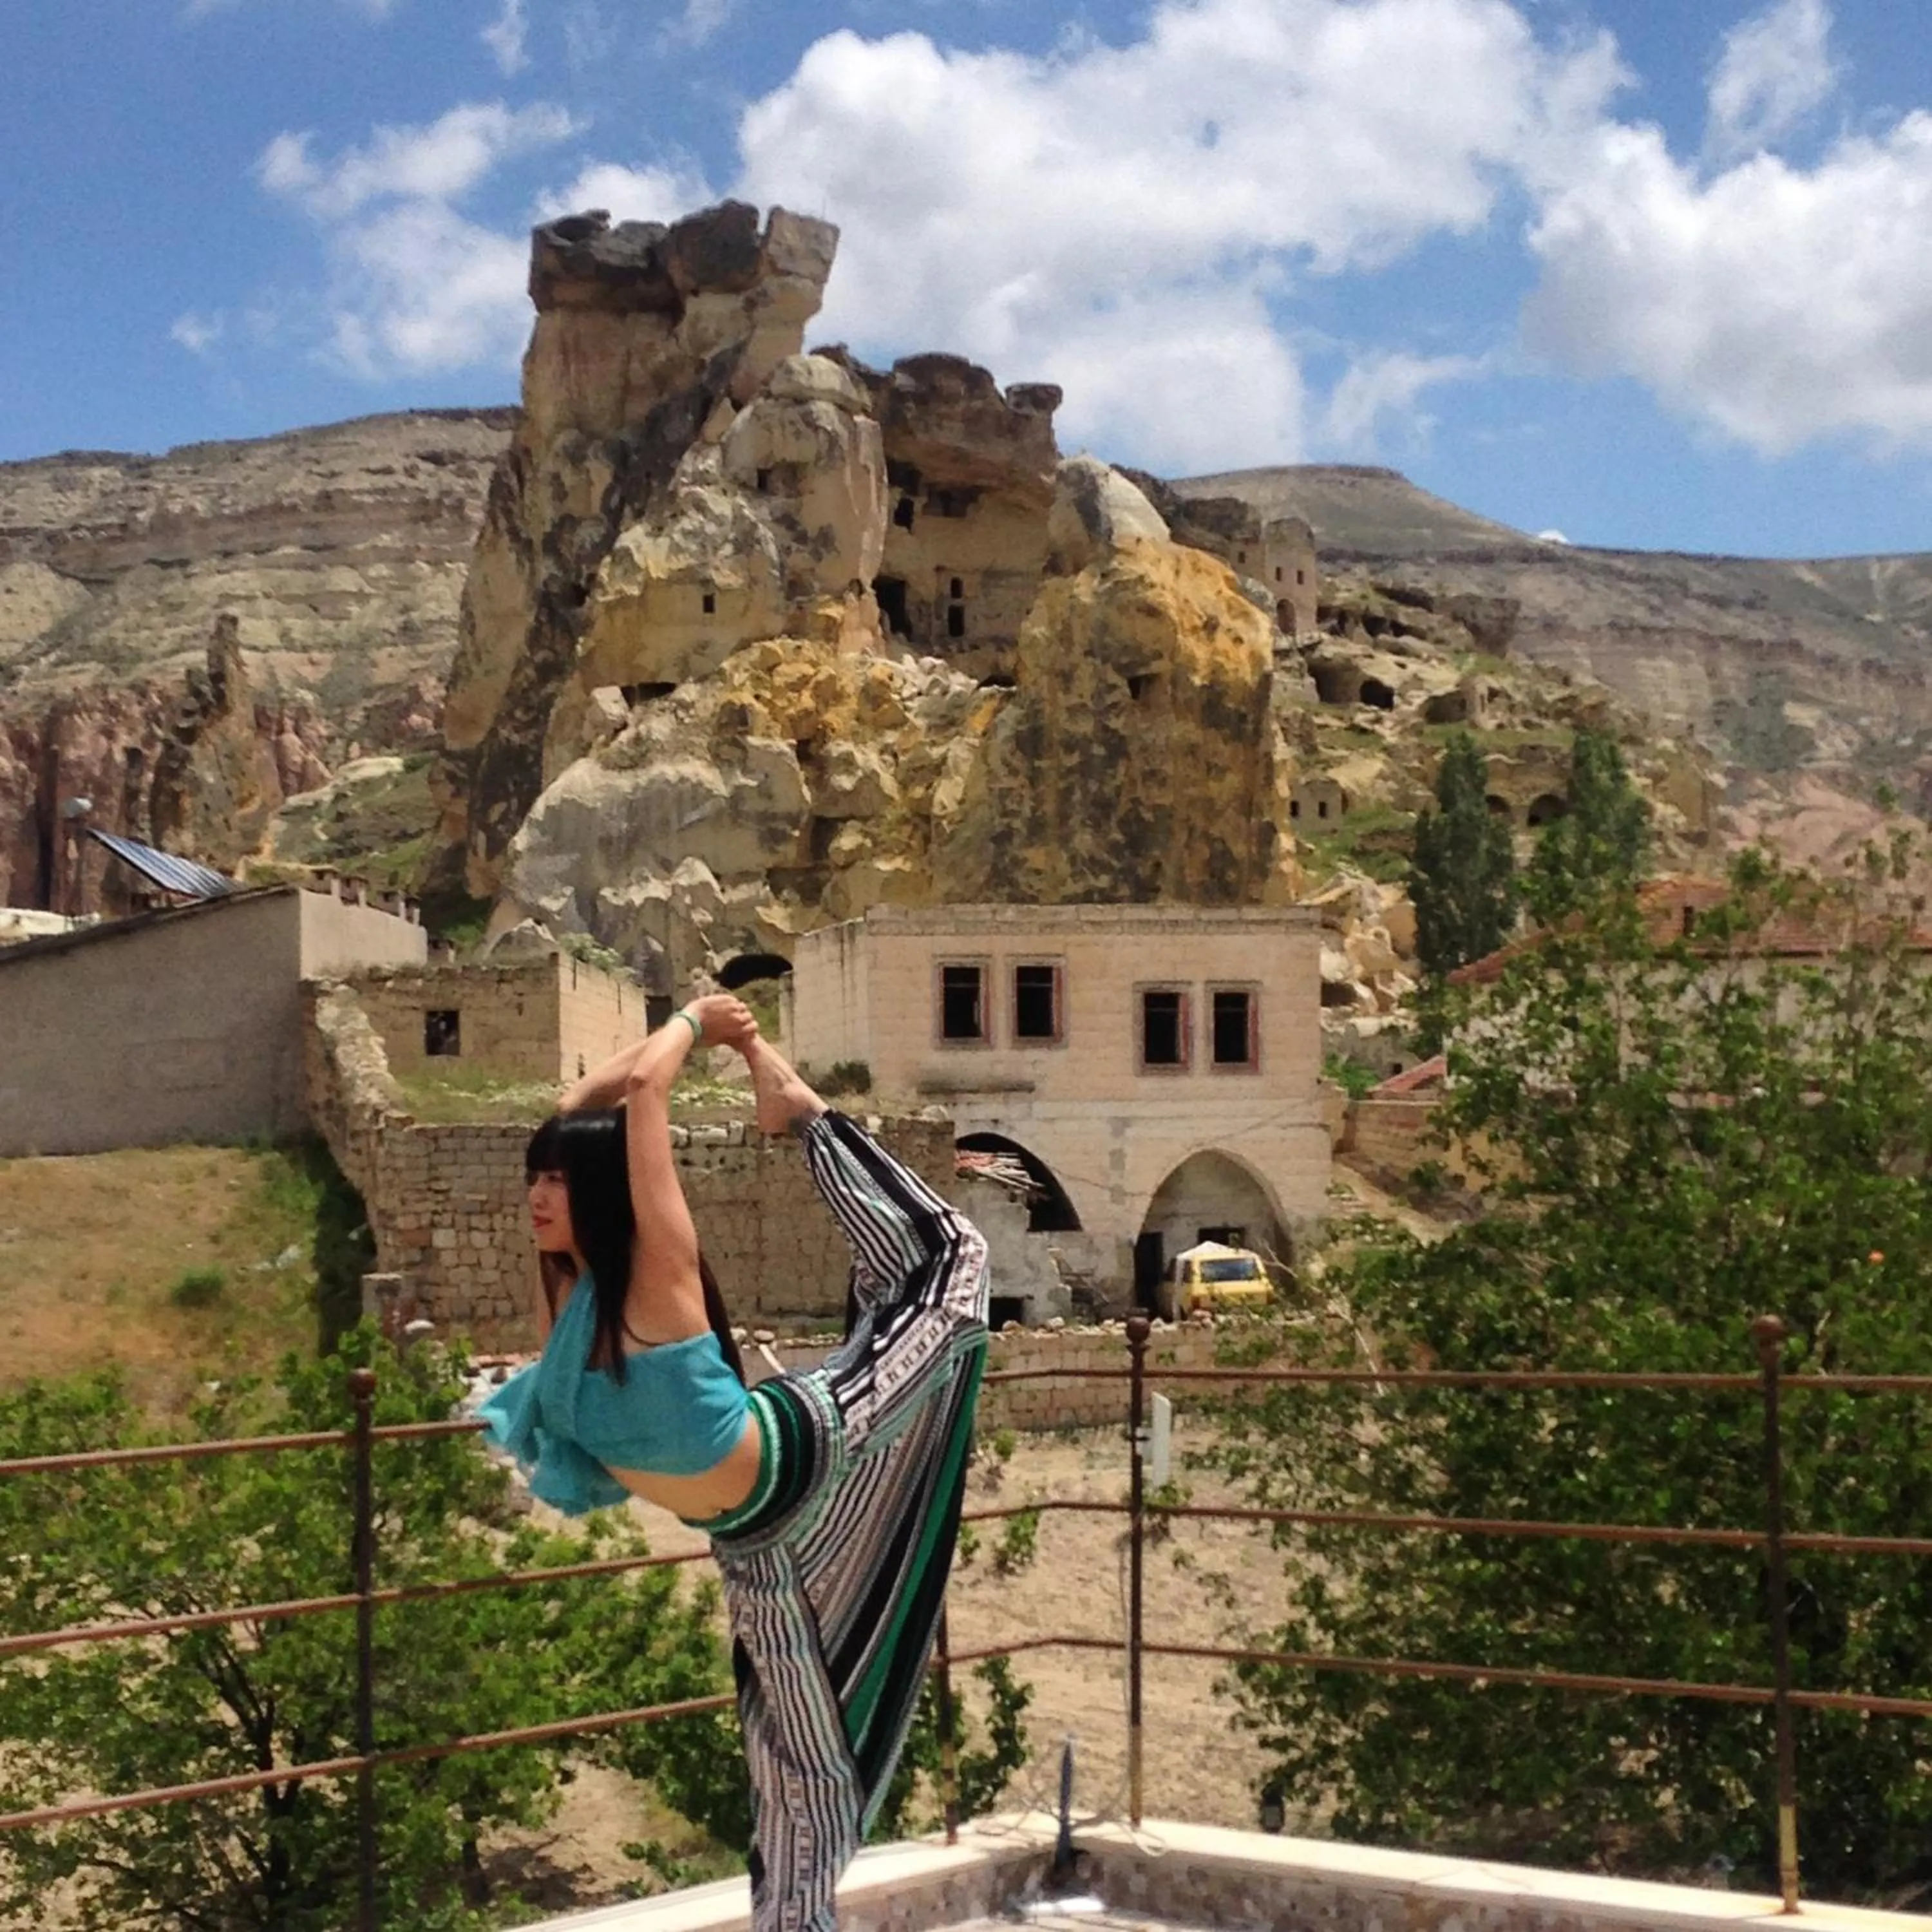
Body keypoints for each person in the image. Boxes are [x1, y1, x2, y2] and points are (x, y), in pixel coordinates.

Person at [478, 992, 990, 1932]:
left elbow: (638, 1090)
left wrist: (702, 1027)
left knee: (953, 1267)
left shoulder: (659, 1271)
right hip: (755, 1539)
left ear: (594, 1189)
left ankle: (798, 1112)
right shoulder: (570, 1299)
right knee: (800, 1772)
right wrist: (693, 1038)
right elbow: (579, 1103)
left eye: (555, 1180)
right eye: (532, 1179)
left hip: (818, 1438)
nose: (537, 1197)